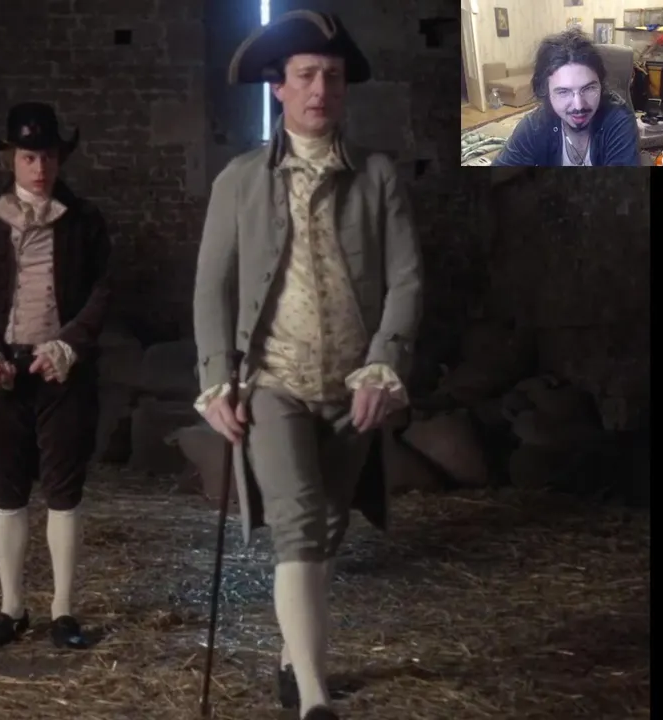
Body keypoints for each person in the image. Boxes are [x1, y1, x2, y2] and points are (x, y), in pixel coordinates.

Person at [193, 11, 423, 720]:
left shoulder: (377, 177)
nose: (320, 89)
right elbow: (211, 287)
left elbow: (407, 279)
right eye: (306, 76)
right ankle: (315, 701)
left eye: (332, 76)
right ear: (279, 88)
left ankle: (294, 660)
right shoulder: (238, 181)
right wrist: (215, 377)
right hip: (273, 382)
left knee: (326, 532)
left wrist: (384, 364)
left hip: (353, 387)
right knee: (297, 524)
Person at [0, 102, 112, 651]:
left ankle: (62, 610)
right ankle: (12, 608)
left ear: (59, 158)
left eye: (47, 156)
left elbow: (102, 292)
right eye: (29, 157)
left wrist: (68, 344)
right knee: (7, 491)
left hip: (62, 372)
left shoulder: (84, 220)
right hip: (4, 372)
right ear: (11, 160)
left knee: (64, 491)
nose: (39, 168)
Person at [492, 28, 639, 166]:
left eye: (588, 88)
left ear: (601, 85)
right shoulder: (535, 126)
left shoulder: (618, 120)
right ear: (546, 92)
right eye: (563, 92)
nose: (578, 105)